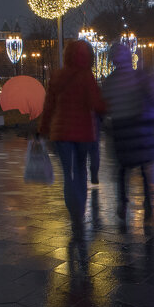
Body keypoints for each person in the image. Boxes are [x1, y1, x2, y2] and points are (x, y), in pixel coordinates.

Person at [39, 39, 105, 230]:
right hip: (83, 133)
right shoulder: (87, 77)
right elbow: (96, 104)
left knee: (68, 175)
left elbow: (49, 106)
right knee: (81, 170)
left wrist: (43, 129)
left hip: (61, 133)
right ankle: (80, 210)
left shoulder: (57, 76)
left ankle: (73, 212)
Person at [101, 42, 154, 221]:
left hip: (120, 130)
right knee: (145, 168)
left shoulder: (109, 81)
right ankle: (148, 202)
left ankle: (122, 202)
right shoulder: (139, 76)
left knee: (122, 169)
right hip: (139, 128)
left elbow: (104, 106)